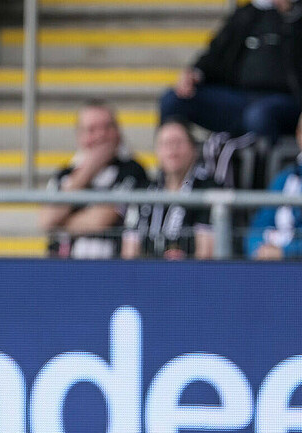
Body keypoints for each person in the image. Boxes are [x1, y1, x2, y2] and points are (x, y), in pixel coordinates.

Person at [158, 0, 302, 142]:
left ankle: (263, 157)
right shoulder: (247, 13)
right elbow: (216, 53)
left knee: (258, 115)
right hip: (239, 99)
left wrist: (290, 13)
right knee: (173, 100)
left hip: (284, 100)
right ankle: (177, 155)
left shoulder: (296, 15)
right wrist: (195, 73)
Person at [40, 99, 150, 259]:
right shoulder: (64, 173)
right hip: (64, 267)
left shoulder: (133, 170)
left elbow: (102, 219)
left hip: (111, 265)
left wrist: (61, 224)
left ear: (118, 132)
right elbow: (46, 220)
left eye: (107, 127)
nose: (101, 135)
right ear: (79, 136)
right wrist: (87, 171)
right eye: (92, 130)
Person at [121, 117, 219, 260]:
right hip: (147, 272)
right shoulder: (145, 190)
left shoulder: (207, 189)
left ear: (194, 149)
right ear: (157, 151)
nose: (172, 148)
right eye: (165, 143)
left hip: (189, 272)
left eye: (179, 142)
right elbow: (129, 253)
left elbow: (205, 255)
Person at [246, 116, 302, 259]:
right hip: (276, 264)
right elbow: (258, 227)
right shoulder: (285, 178)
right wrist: (259, 249)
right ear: (298, 135)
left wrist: (285, 252)